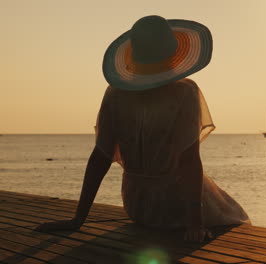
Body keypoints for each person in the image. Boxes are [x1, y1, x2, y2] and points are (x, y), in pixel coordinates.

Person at [35, 15, 251, 242]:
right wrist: (195, 224)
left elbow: (101, 156)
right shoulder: (184, 92)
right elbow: (188, 160)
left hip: (138, 204)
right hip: (175, 206)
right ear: (172, 55)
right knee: (234, 218)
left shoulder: (116, 93)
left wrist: (77, 219)